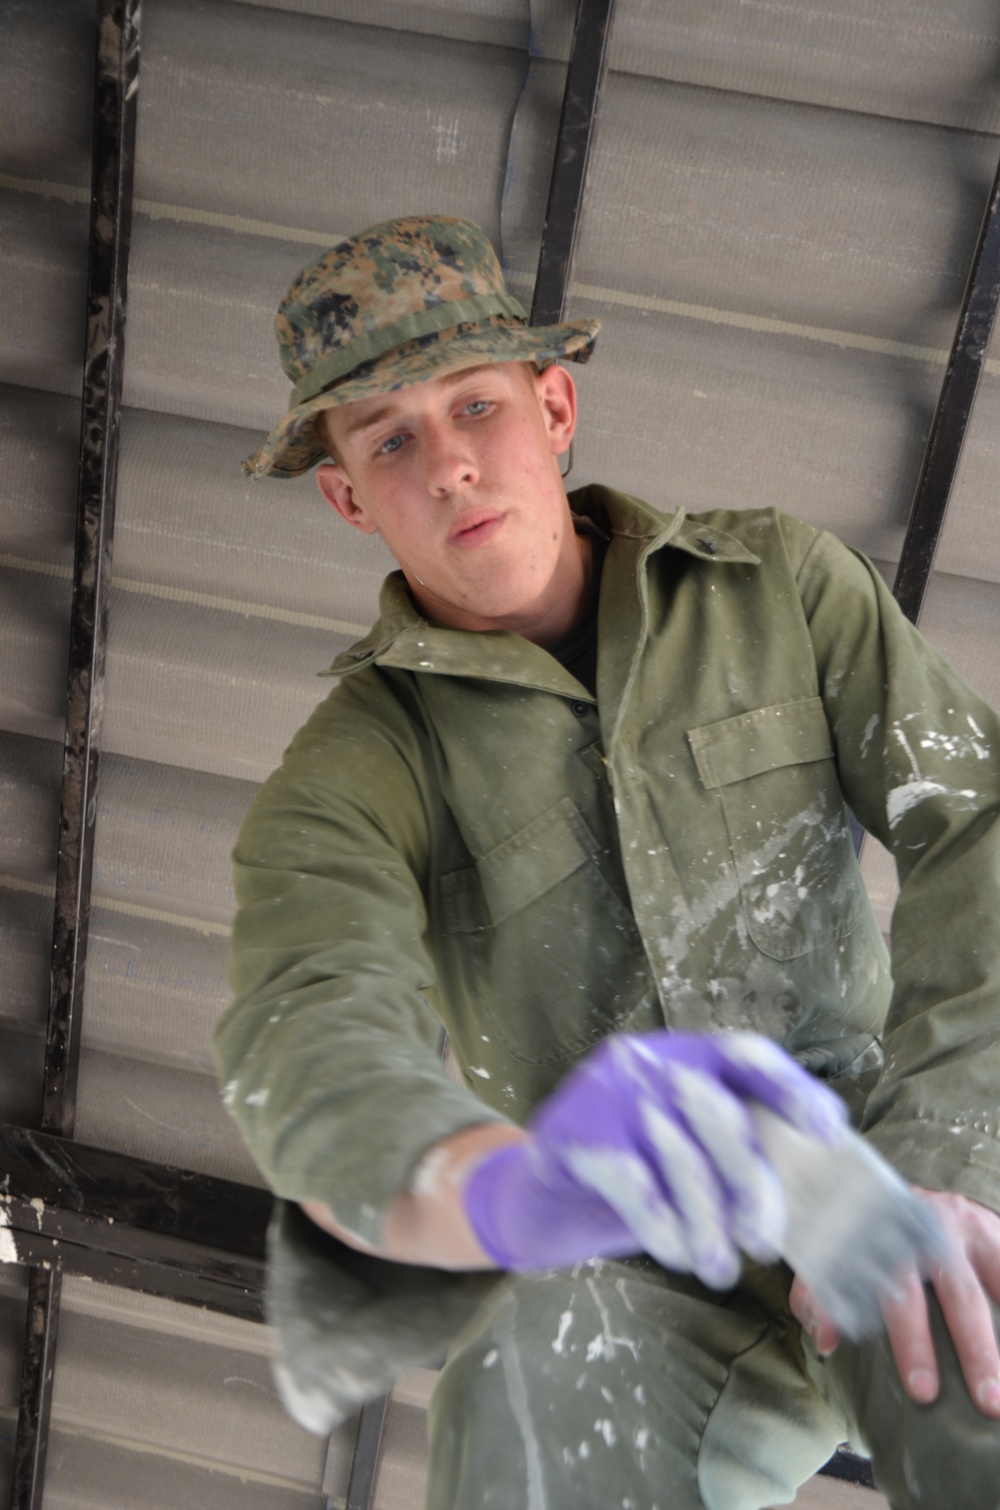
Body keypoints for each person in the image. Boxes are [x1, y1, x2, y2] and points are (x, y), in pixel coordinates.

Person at [214, 215, 1000, 1509]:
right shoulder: (354, 771)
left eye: (477, 405)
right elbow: (306, 1036)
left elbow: (973, 818)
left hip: (875, 1158)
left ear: (555, 404)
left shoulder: (779, 589)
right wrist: (511, 1187)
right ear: (347, 494)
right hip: (629, 1277)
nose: (453, 465)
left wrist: (947, 1149)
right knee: (530, 1395)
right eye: (392, 439)